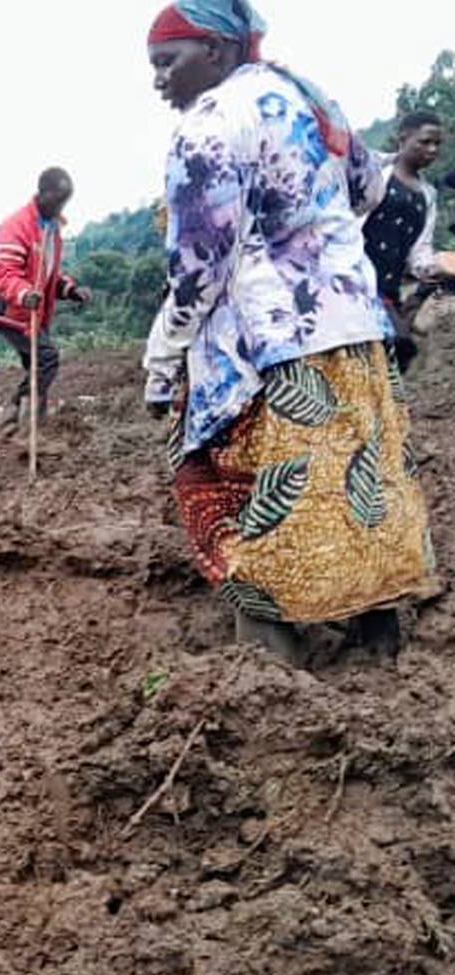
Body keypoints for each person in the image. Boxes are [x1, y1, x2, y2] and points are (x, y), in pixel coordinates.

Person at [143, 0, 436, 664]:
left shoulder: (209, 125)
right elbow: (368, 189)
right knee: (359, 485)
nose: (159, 80)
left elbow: (198, 266)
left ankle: (269, 667)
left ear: (214, 50)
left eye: (167, 62)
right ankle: (377, 645)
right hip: (355, 326)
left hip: (270, 345)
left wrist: (163, 356)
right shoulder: (309, 98)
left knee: (244, 494)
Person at [0, 169, 92, 435]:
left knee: (36, 366)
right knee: (46, 358)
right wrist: (25, 294)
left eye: (65, 200)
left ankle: (27, 425)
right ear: (43, 193)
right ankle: (14, 419)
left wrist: (70, 290)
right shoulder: (18, 226)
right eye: (58, 199)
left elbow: (47, 274)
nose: (61, 206)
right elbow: (6, 275)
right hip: (6, 308)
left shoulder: (51, 228)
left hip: (30, 308)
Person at [361, 111, 446, 372]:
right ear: (403, 138)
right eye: (424, 141)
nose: (432, 149)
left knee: (397, 357)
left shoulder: (427, 196)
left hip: (388, 291)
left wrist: (434, 267)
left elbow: (419, 251)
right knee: (395, 347)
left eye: (437, 144)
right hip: (356, 286)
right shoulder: (374, 173)